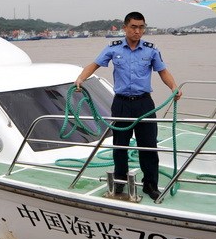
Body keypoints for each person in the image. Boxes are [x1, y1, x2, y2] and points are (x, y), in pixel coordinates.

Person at [75, 12, 181, 200]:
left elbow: (163, 72)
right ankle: (120, 182)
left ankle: (150, 184)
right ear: (125, 28)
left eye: (141, 27)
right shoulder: (113, 49)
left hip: (144, 104)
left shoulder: (151, 50)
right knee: (120, 145)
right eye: (133, 27)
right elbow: (94, 65)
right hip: (121, 104)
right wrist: (81, 79)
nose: (137, 31)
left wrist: (174, 87)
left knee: (148, 146)